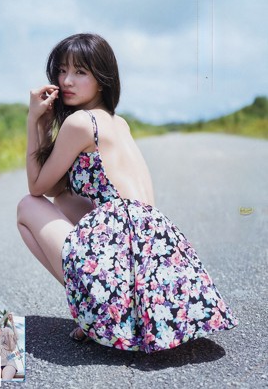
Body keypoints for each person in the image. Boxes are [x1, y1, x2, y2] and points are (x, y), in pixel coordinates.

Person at [17, 33, 238, 353]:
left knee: (27, 207)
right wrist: (46, 126)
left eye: (80, 72)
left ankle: (95, 312)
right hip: (153, 261)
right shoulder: (117, 123)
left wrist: (33, 121)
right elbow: (56, 188)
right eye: (62, 71)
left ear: (103, 79)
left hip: (125, 251)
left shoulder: (80, 122)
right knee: (65, 199)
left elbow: (36, 188)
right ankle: (106, 311)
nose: (66, 80)